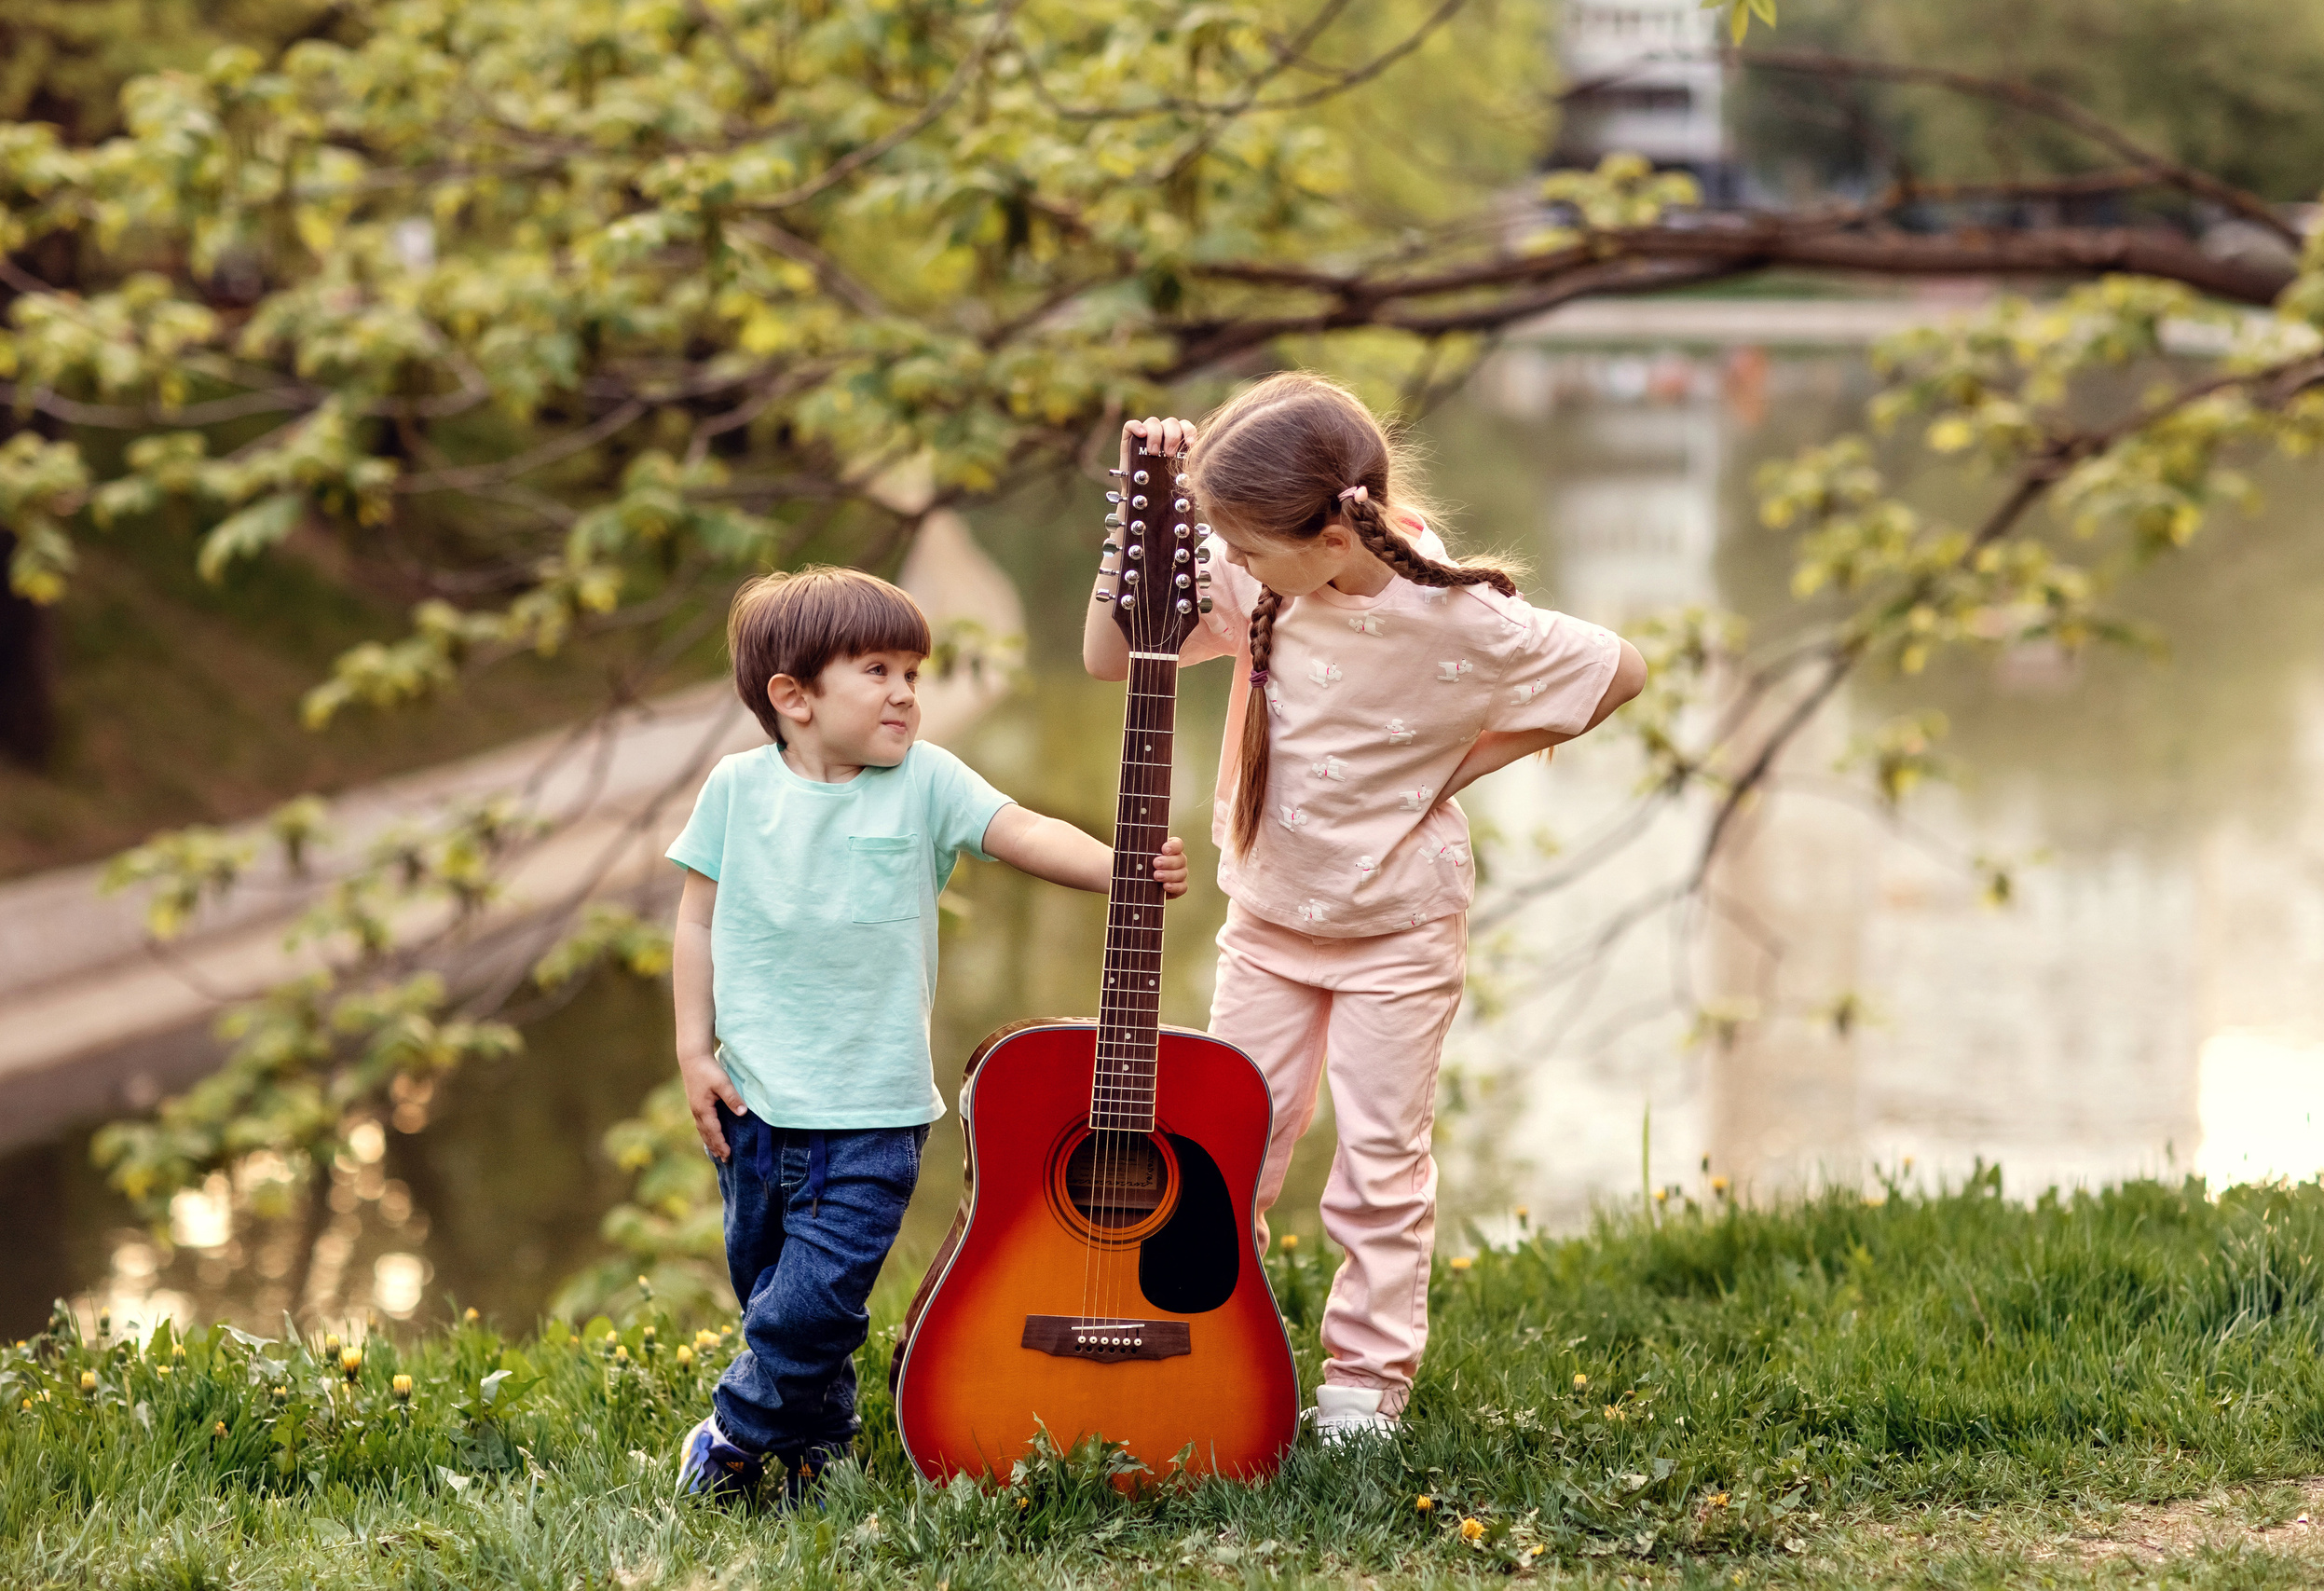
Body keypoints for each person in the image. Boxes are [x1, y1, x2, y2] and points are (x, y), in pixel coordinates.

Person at [1082, 373, 1646, 1443]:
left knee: (1380, 1159)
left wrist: (1451, 769)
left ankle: (1364, 1383)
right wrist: (1139, 530)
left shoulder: (1456, 615)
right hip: (1267, 923)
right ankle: (1205, 1341)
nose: (1232, 571)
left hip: (1397, 931)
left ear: (1336, 536)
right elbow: (1109, 658)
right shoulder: (1259, 575)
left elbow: (1619, 669)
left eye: (1245, 553)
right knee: (1224, 1144)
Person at [671, 566, 1188, 1505]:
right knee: (774, 1293)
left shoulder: (925, 782)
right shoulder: (736, 791)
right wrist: (691, 1052)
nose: (907, 692)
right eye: (877, 670)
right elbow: (697, 922)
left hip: (873, 1113)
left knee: (813, 1299)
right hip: (752, 1108)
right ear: (793, 697)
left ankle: (733, 1436)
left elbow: (1020, 828)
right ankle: (819, 1443)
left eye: (913, 671)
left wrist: (1122, 867)